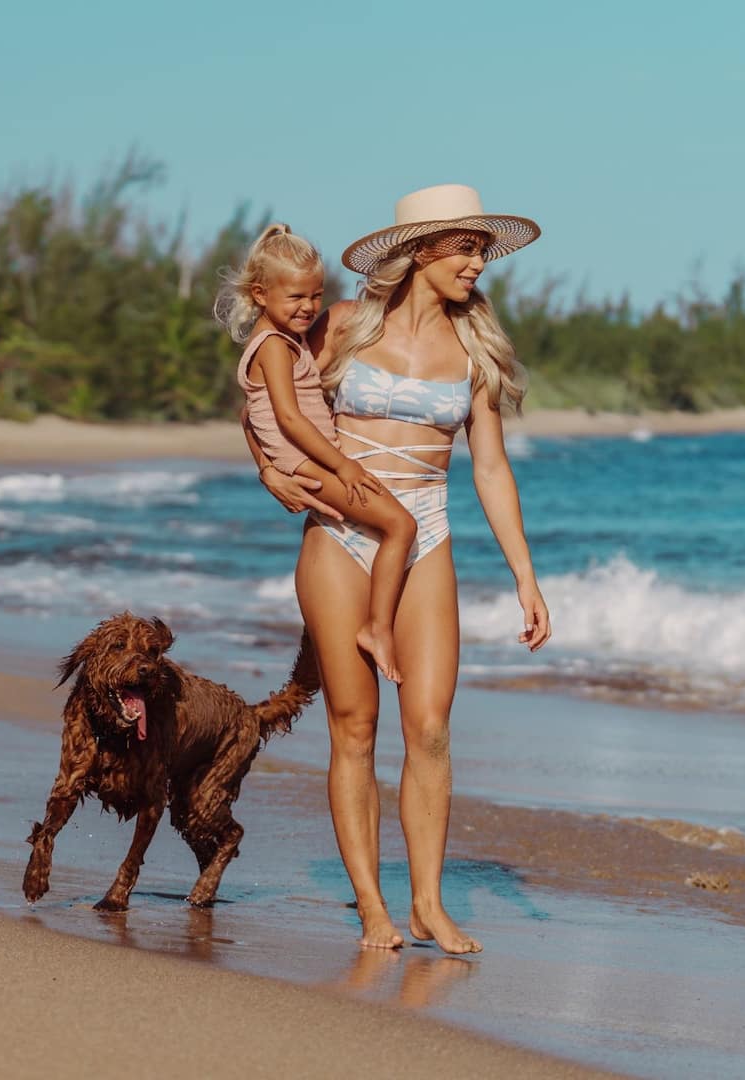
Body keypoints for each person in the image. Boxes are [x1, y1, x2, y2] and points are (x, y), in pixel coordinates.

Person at [247, 185, 553, 953]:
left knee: (431, 726)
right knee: (354, 727)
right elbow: (265, 388)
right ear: (422, 250)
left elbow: (489, 469)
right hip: (338, 533)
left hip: (427, 533)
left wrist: (525, 574)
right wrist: (265, 470)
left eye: (483, 250)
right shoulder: (341, 324)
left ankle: (427, 904)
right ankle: (371, 906)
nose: (478, 264)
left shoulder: (476, 350)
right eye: (467, 248)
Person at [222, 224, 417, 682]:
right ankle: (377, 628)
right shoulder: (272, 347)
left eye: (315, 295)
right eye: (296, 298)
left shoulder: (287, 343)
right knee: (401, 525)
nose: (310, 308)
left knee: (392, 525)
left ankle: (373, 620)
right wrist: (340, 463)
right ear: (260, 294)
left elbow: (250, 415)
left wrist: (267, 465)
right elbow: (289, 420)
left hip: (303, 459)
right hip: (310, 461)